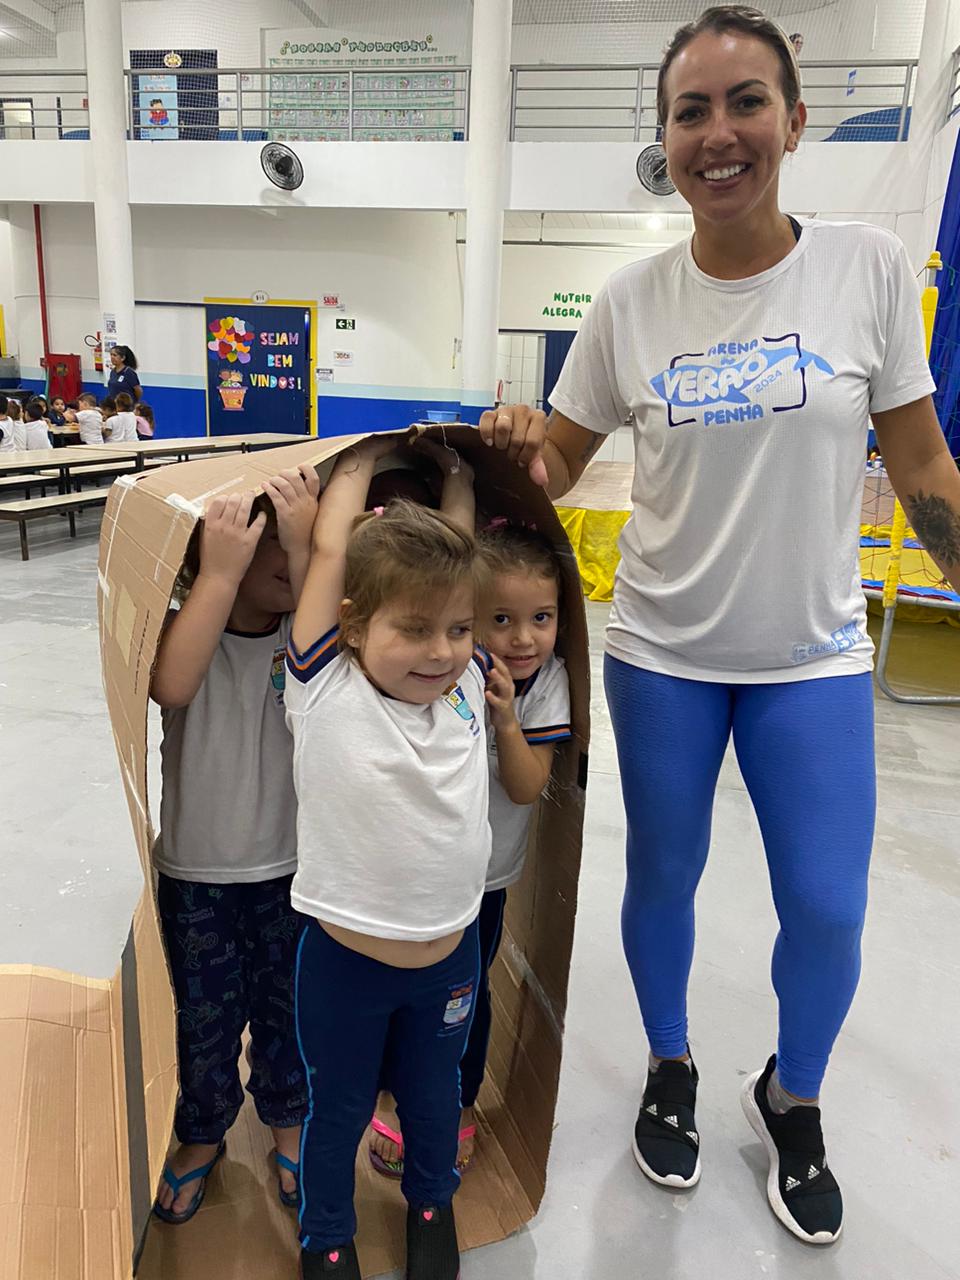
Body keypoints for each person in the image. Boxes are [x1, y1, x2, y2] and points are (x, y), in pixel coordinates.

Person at [477, 3, 960, 1247]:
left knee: (829, 906)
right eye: (691, 111)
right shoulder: (631, 304)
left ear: (794, 122)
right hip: (664, 654)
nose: (719, 132)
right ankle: (671, 1062)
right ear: (667, 139)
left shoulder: (866, 271)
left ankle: (793, 1094)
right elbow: (557, 467)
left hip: (811, 657)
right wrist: (522, 443)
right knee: (664, 875)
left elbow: (921, 465)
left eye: (746, 102)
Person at [285, 439, 489, 1280]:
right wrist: (359, 460)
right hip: (346, 967)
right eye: (414, 629)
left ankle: (431, 1206)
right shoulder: (323, 686)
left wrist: (459, 479)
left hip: (449, 962)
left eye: (458, 629)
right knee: (336, 1110)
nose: (441, 651)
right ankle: (327, 1234)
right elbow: (331, 550)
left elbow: (459, 557)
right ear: (354, 626)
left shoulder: (466, 687)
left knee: (434, 1101)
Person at [369, 521, 572, 1179]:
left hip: (481, 881)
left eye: (542, 618)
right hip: (412, 869)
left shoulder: (547, 683)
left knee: (464, 996)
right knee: (397, 986)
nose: (523, 638)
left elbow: (527, 786)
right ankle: (391, 1094)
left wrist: (506, 717)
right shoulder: (443, 667)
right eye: (500, 619)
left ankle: (457, 1101)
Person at [150, 467, 320, 1225]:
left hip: (292, 872)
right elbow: (171, 687)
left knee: (291, 1016)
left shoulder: (304, 636)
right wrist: (218, 574)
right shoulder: (184, 631)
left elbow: (330, 640)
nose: (285, 553)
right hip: (198, 877)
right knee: (204, 1022)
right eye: (266, 539)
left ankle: (288, 1124)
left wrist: (306, 546)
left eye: (295, 539)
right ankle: (202, 1132)